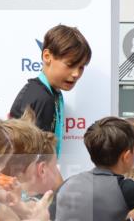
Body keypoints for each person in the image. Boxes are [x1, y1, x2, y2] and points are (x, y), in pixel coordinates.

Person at [8, 25, 91, 157]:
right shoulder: (42, 98)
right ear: (47, 56)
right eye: (70, 64)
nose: (76, 73)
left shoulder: (49, 93)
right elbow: (36, 158)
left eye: (81, 67)